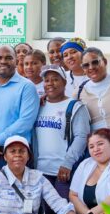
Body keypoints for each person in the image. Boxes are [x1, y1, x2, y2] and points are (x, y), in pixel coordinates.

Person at [32, 65, 89, 194]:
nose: (50, 83)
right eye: (46, 80)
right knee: (46, 213)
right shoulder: (38, 106)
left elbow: (81, 137)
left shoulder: (75, 107)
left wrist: (67, 163)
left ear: (64, 82)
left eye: (55, 79)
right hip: (41, 172)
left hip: (64, 172)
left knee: (65, 212)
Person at [75, 47, 110, 131]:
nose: (91, 67)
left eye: (95, 62)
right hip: (96, 142)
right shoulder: (79, 91)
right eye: (86, 65)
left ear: (105, 62)